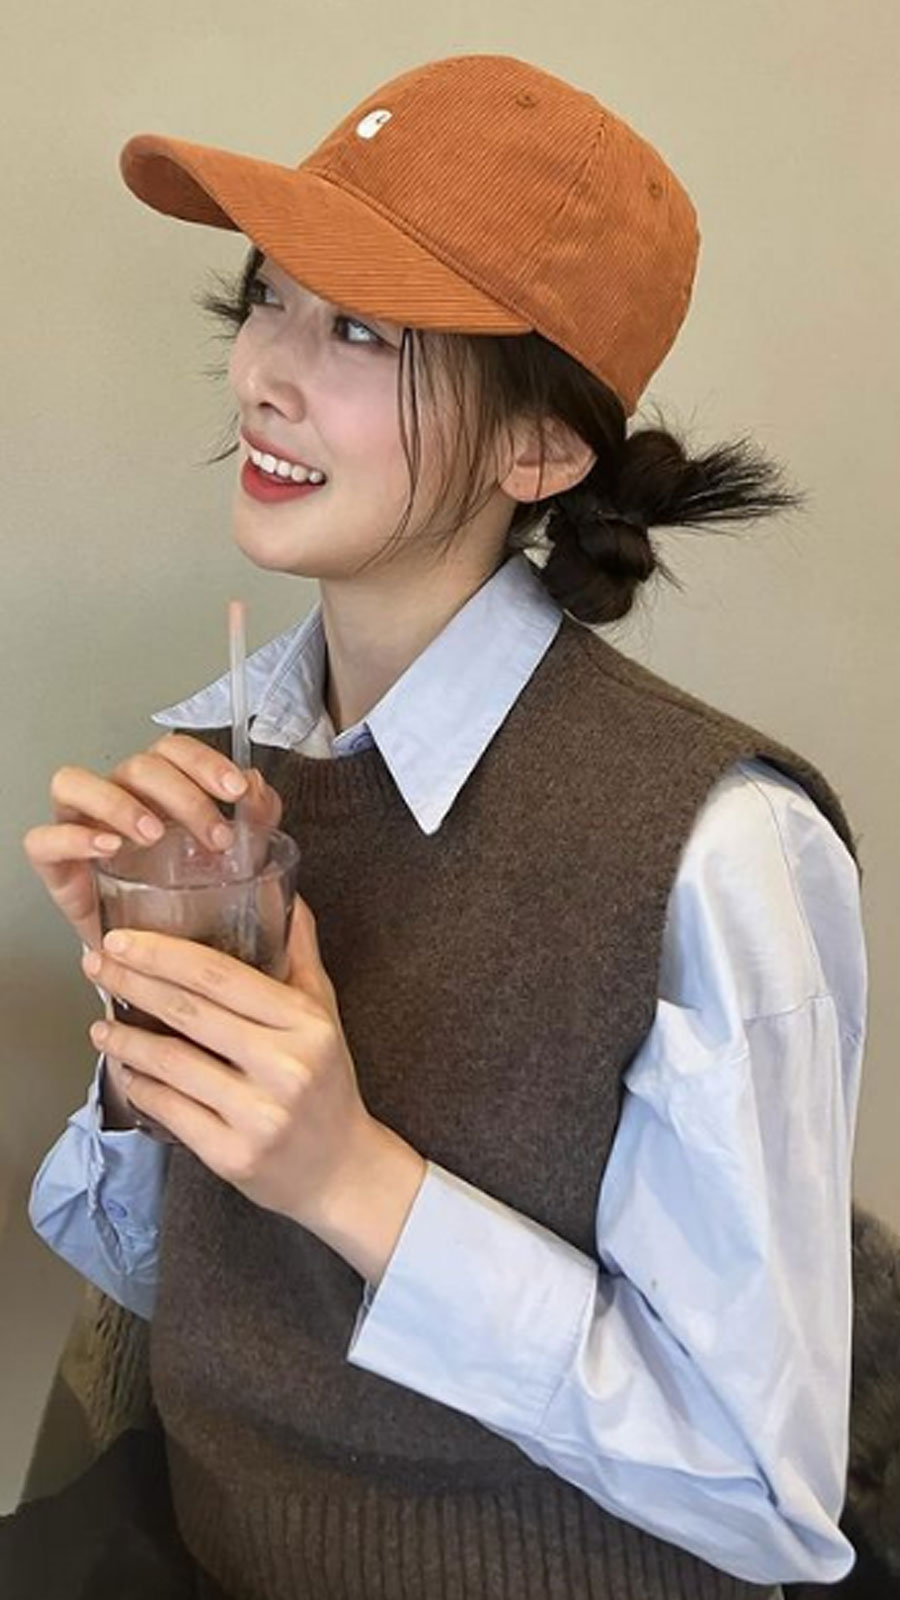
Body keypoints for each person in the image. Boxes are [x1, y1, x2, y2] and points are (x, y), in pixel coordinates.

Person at [22, 52, 867, 1600]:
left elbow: (766, 1497)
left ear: (537, 449)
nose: (264, 374)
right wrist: (155, 1038)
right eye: (269, 299)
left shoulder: (717, 849)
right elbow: (163, 1293)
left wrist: (349, 1175)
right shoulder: (220, 775)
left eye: (360, 329)